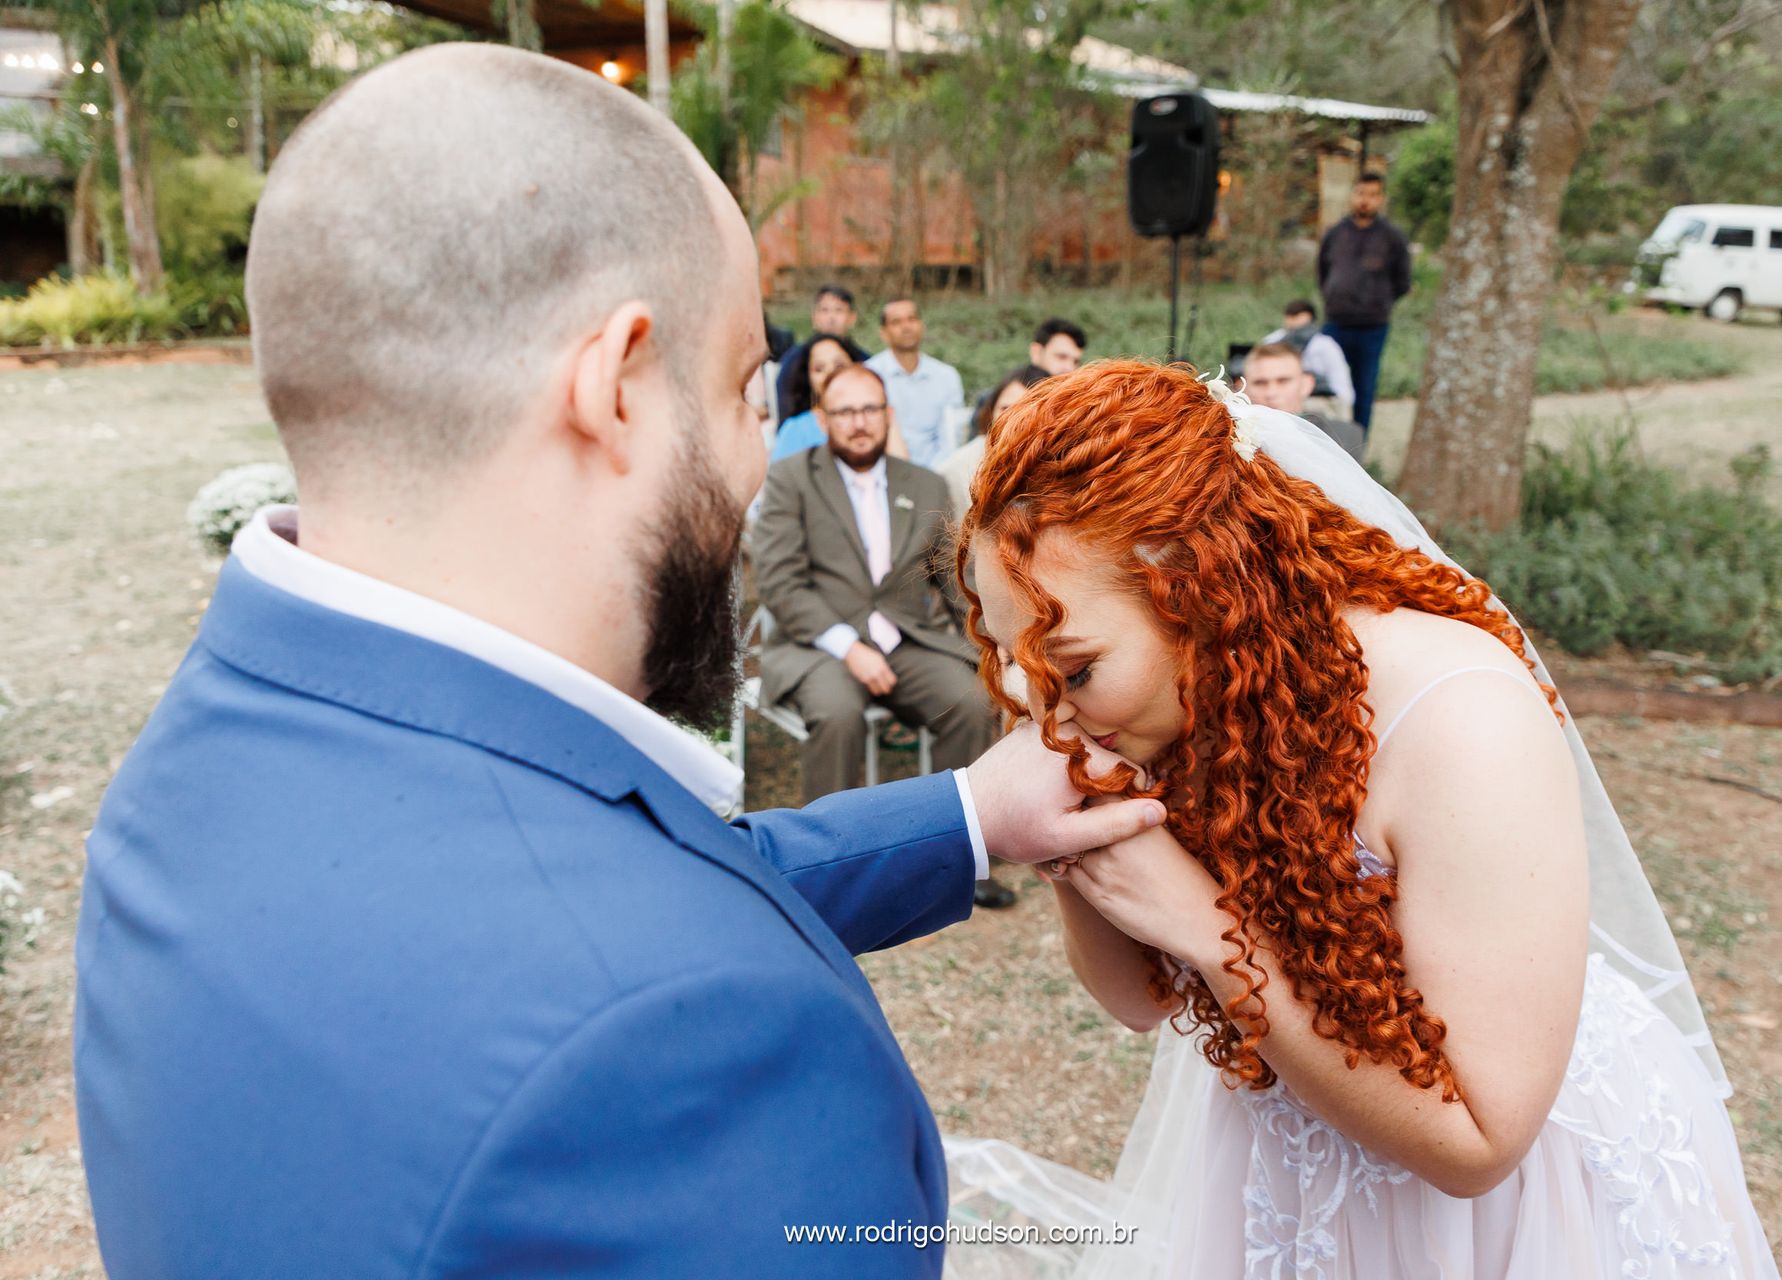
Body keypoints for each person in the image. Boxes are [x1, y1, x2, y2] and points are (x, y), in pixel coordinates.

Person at [72, 46, 1170, 1280]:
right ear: (617, 387)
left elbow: (567, 895)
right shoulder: (696, 1051)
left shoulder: (192, 762)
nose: (758, 459)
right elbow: (618, 952)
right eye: (746, 389)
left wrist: (969, 813)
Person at [941, 362, 1779, 1279]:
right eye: (1019, 667)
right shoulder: (1154, 709)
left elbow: (1480, 1144)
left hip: (1499, 1206)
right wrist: (1074, 837)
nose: (1049, 715)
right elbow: (1138, 1002)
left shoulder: (1462, 719)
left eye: (1074, 667)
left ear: (1200, 590)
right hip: (1294, 1163)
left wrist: (1213, 934)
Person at [751, 364, 1017, 909]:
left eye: (870, 409)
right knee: (837, 712)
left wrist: (998, 641)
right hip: (818, 645)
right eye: (845, 411)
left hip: (906, 643)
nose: (859, 422)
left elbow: (953, 582)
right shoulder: (791, 479)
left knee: (969, 703)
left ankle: (955, 861)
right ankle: (825, 875)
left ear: (888, 414)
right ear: (823, 419)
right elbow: (779, 581)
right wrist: (846, 646)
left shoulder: (923, 484)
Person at [1317, 173, 1411, 434]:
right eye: (1360, 193)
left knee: (1363, 388)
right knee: (1329, 386)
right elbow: (1323, 273)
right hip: (1336, 323)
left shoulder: (1392, 237)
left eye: (1372, 195)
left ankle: (1358, 443)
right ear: (1352, 195)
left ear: (1381, 199)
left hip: (1372, 327)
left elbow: (1402, 282)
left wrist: (1378, 302)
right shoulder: (1335, 233)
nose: (1365, 200)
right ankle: (1328, 440)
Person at [866, 297, 966, 467]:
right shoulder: (869, 375)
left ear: (921, 325)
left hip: (939, 471)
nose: (906, 327)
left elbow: (951, 435)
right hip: (883, 469)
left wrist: (934, 474)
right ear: (883, 333)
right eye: (896, 322)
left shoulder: (946, 376)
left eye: (911, 319)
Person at [939, 364, 1047, 520]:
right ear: (991, 411)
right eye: (1005, 408)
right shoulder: (958, 469)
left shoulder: (1062, 464)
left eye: (1025, 410)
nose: (1011, 418)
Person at [1239, 340, 1365, 462]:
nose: (1271, 393)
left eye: (1283, 381)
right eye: (1260, 383)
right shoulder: (1233, 437)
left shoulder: (1342, 435)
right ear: (1242, 387)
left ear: (1306, 384)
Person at [776, 284, 868, 423]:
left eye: (839, 310)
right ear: (814, 318)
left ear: (852, 318)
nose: (831, 318)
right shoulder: (794, 360)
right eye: (824, 310)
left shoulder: (865, 361)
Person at [770, 332, 856, 461]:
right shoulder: (795, 430)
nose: (830, 373)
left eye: (839, 365)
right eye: (819, 369)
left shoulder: (877, 417)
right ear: (808, 378)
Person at [1261, 297, 1354, 418]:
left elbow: (1341, 383)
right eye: (1291, 317)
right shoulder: (1271, 342)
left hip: (1316, 404)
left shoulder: (1325, 345)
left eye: (1298, 318)